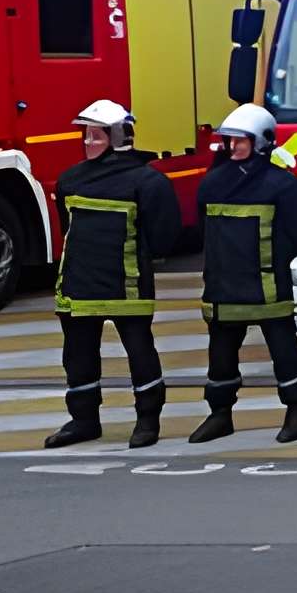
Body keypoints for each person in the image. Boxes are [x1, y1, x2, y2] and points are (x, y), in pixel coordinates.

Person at [44, 98, 180, 449]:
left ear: (118, 138)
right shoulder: (70, 180)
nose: (88, 144)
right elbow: (68, 229)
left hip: (127, 285)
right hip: (79, 284)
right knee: (77, 356)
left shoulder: (148, 183)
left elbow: (164, 238)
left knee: (139, 352)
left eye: (96, 137)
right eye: (86, 137)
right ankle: (83, 420)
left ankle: (148, 420)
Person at [186, 103, 297, 445]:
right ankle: (219, 415)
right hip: (223, 285)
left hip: (267, 285)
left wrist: (272, 258)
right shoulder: (213, 183)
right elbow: (206, 228)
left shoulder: (282, 185)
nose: (233, 148)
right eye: (229, 141)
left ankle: (296, 412)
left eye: (240, 141)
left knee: (284, 350)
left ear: (261, 141)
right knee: (221, 355)